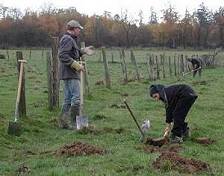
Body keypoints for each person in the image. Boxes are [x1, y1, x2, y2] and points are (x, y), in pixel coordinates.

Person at [58, 20, 94, 129]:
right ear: (73, 28)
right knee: (76, 98)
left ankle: (63, 122)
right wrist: (76, 65)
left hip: (69, 73)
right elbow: (63, 55)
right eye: (78, 29)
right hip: (70, 73)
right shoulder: (67, 39)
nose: (79, 31)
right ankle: (73, 123)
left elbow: (73, 52)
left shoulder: (70, 39)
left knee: (68, 99)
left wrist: (83, 51)